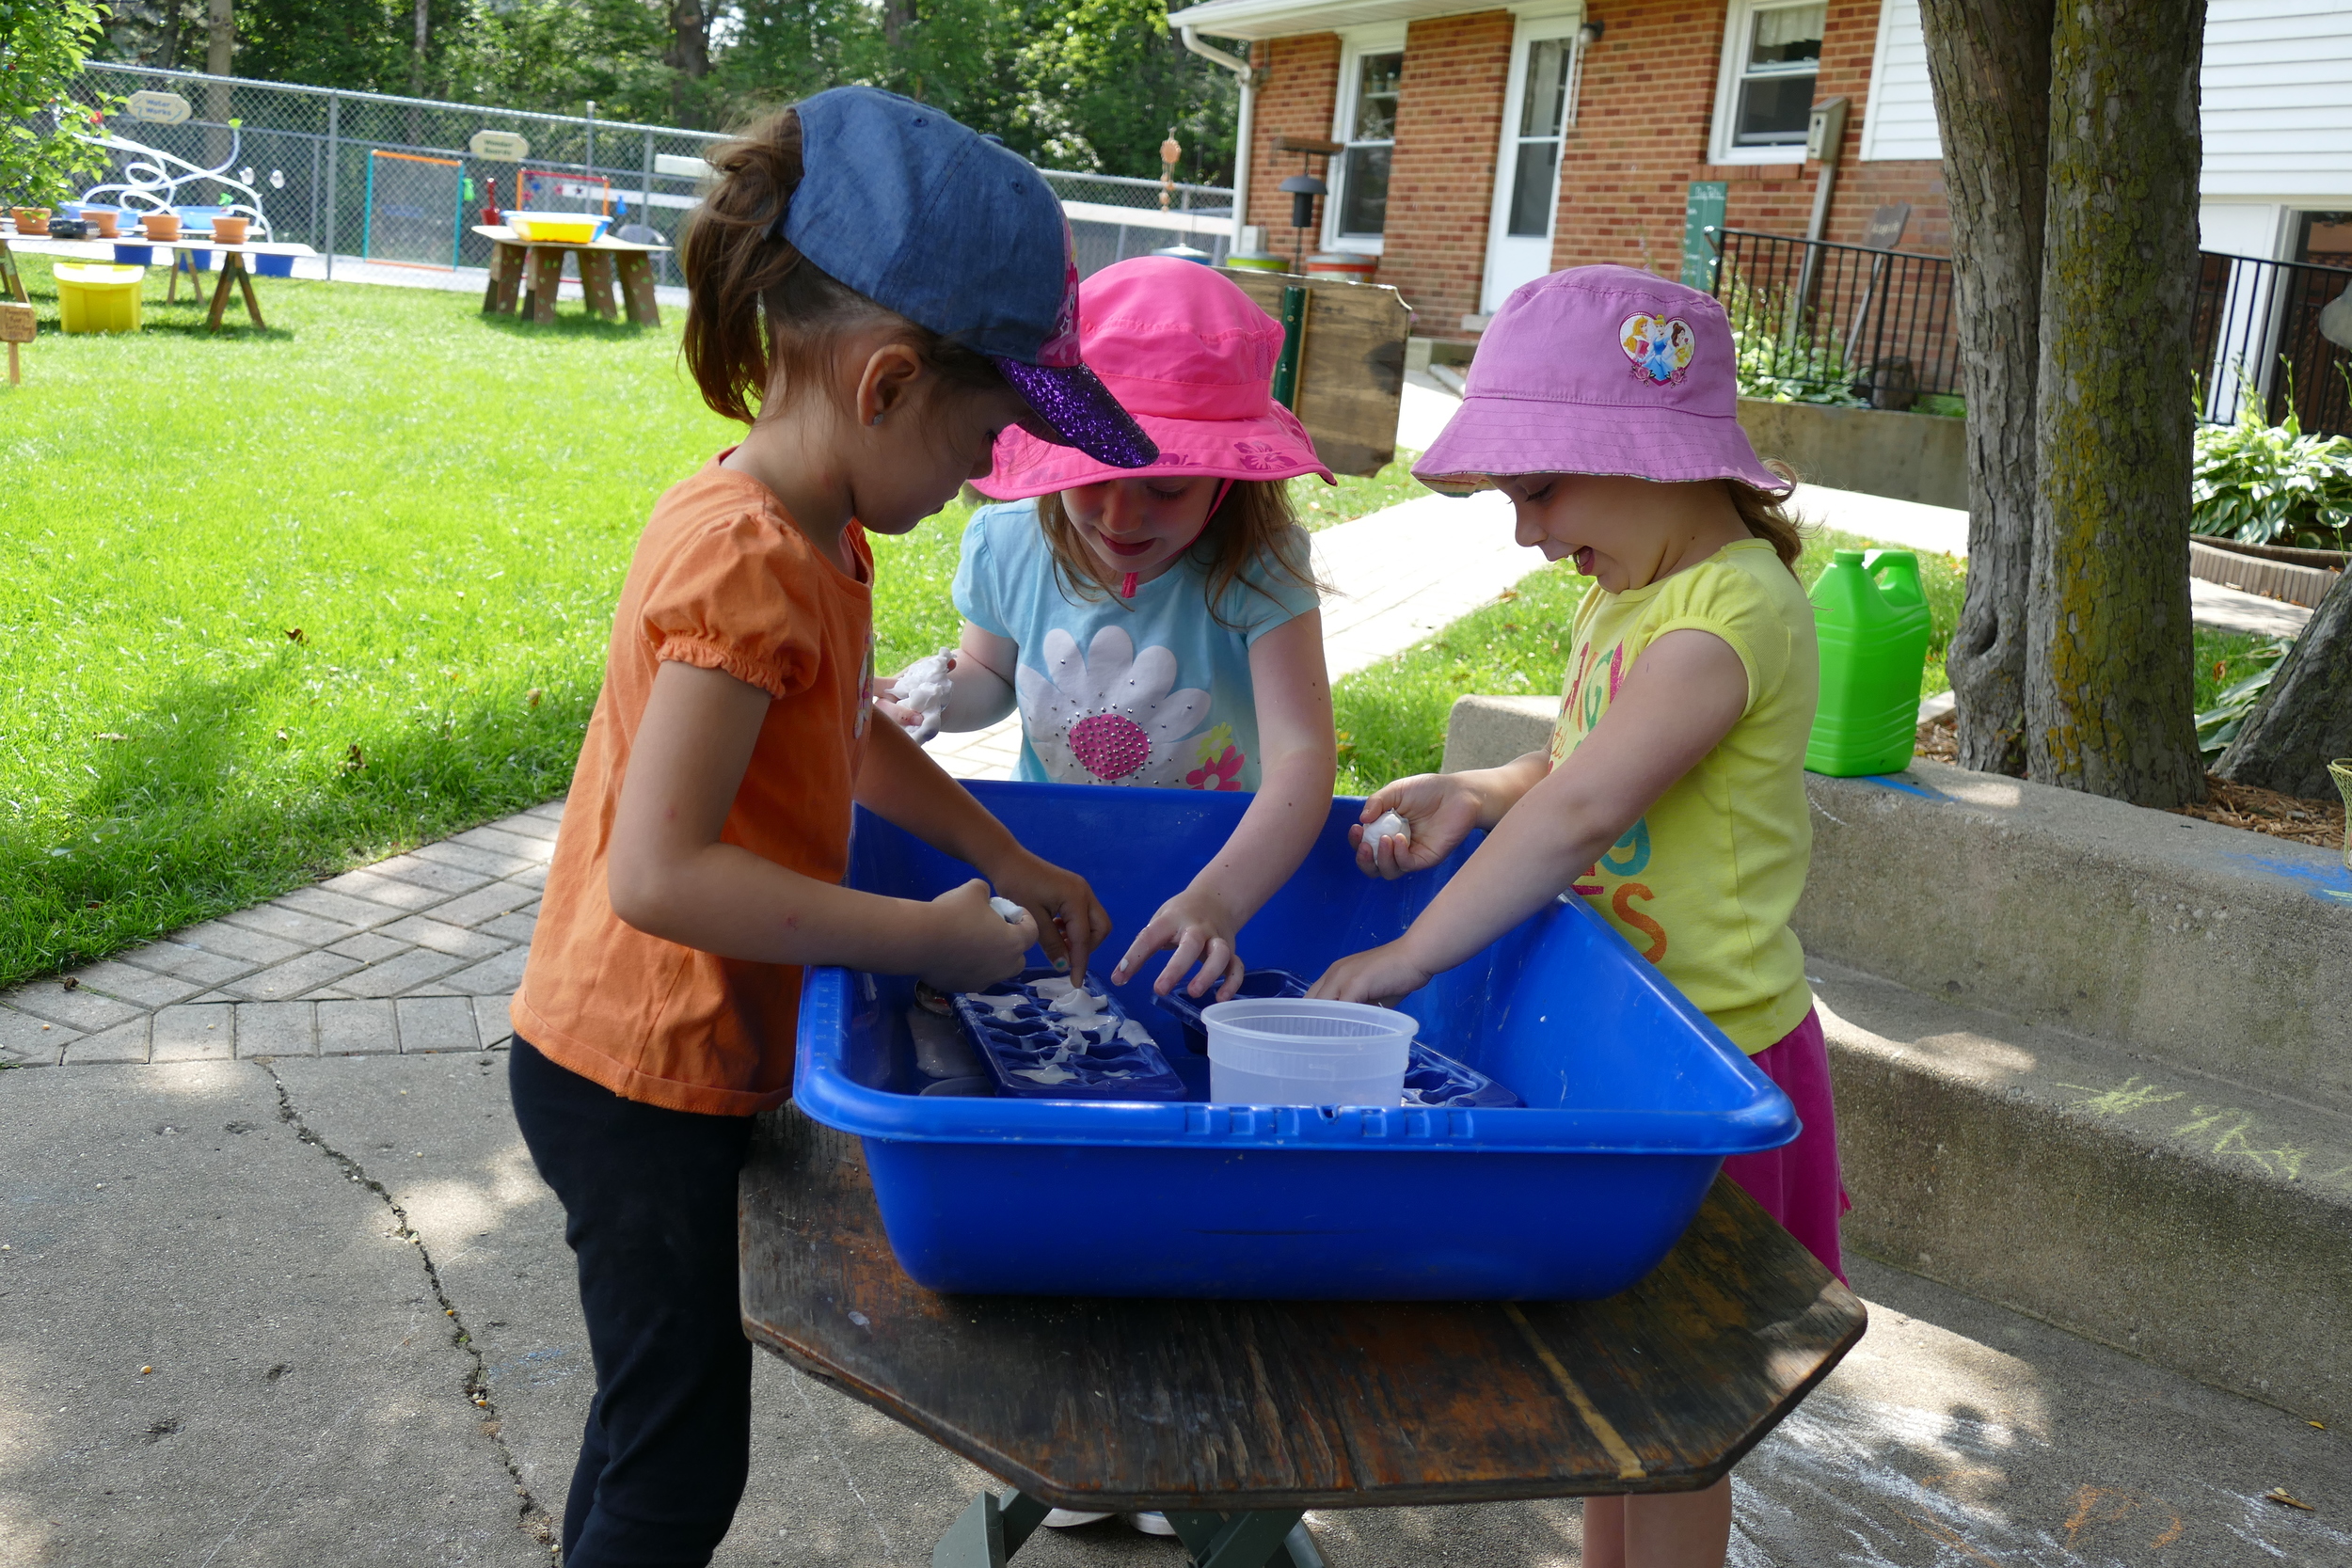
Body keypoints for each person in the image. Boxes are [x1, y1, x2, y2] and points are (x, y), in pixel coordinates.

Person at [504, 87, 1153, 1568]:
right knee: (679, 1458)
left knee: (648, 1412)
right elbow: (659, 871)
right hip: (634, 1075)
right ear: (884, 384)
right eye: (985, 437)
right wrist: (922, 935)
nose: (990, 474)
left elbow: (844, 731)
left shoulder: (811, 534)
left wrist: (1004, 853)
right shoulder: (744, 559)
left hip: (672, 1060)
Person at [1309, 265, 1846, 1568]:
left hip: (1717, 1064)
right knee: (1620, 1386)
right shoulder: (1634, 591)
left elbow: (1587, 813)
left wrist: (1408, 953)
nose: (1527, 536)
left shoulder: (1730, 615)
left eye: (1537, 490)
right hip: (1629, 1043)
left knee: (1681, 1409)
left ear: (1649, 452)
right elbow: (1567, 771)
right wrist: (1476, 792)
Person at [879, 256, 1339, 1004]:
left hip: (1220, 857)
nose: (1121, 519)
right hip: (1057, 849)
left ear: (1229, 478)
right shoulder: (1009, 543)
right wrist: (928, 698)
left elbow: (1302, 757)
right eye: (1095, 474)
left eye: (1165, 486)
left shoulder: (1258, 564)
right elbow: (988, 674)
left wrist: (1221, 898)